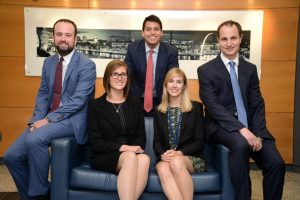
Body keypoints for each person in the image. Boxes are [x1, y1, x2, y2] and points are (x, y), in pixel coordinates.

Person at [4, 19, 96, 200]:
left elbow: (78, 101)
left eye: (68, 35)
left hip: (72, 120)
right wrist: (35, 121)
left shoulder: (87, 65)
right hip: (47, 118)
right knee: (12, 156)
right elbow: (43, 95)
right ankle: (34, 196)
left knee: (35, 140)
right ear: (53, 37)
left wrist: (48, 120)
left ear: (75, 39)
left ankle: (39, 193)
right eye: (59, 34)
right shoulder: (49, 63)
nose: (63, 39)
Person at [197, 20, 285, 200]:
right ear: (218, 41)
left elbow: (257, 104)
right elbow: (214, 108)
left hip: (253, 127)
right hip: (220, 127)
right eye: (224, 39)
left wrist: (258, 133)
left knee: (276, 163)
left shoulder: (250, 69)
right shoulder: (206, 70)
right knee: (241, 143)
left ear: (240, 38)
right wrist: (242, 130)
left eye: (233, 38)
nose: (229, 43)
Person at [87, 60, 150, 200]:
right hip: (105, 155)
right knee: (130, 156)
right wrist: (123, 148)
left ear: (128, 78)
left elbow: (141, 137)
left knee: (145, 159)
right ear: (107, 78)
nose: (119, 78)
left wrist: (134, 148)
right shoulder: (95, 106)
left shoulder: (135, 103)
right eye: (115, 74)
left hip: (131, 154)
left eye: (123, 74)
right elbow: (96, 143)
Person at [153, 68, 206, 200]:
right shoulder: (159, 111)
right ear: (166, 85)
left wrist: (179, 153)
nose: (174, 85)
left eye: (179, 82)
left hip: (190, 157)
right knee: (162, 169)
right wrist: (163, 154)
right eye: (171, 81)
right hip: (167, 157)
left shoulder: (196, 108)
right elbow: (157, 141)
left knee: (176, 162)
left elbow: (199, 141)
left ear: (184, 86)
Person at [124, 14, 179, 115]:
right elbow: (125, 74)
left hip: (162, 100)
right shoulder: (133, 49)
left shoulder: (171, 52)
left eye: (156, 29)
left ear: (161, 32)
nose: (152, 33)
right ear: (143, 33)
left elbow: (173, 78)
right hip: (136, 99)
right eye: (148, 29)